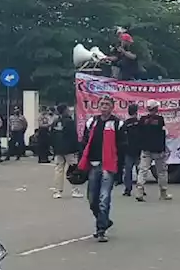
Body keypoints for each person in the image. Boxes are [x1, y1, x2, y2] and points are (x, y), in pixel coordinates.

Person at [80, 97, 122, 242]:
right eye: (102, 104)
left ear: (112, 107)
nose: (104, 107)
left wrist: (119, 171)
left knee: (104, 198)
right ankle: (104, 220)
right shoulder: (92, 122)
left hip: (108, 167)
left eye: (107, 105)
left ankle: (101, 230)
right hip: (93, 165)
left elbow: (122, 146)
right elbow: (84, 142)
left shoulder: (117, 123)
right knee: (92, 199)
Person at [134, 99, 171, 202]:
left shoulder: (142, 119)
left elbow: (139, 133)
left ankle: (139, 191)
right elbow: (163, 134)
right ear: (156, 108)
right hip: (158, 149)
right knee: (162, 172)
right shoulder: (160, 120)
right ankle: (163, 193)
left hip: (146, 149)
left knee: (143, 170)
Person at [48, 104, 80, 199]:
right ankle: (75, 190)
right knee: (73, 169)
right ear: (65, 111)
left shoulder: (55, 122)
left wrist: (53, 147)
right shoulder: (70, 122)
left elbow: (52, 136)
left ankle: (57, 191)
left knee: (58, 169)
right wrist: (77, 148)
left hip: (58, 149)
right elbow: (74, 136)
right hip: (70, 149)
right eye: (68, 109)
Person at [118, 103, 142, 196]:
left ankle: (128, 189)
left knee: (128, 171)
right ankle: (141, 189)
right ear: (136, 112)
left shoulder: (125, 124)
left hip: (128, 150)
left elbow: (121, 138)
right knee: (140, 170)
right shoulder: (140, 123)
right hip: (139, 150)